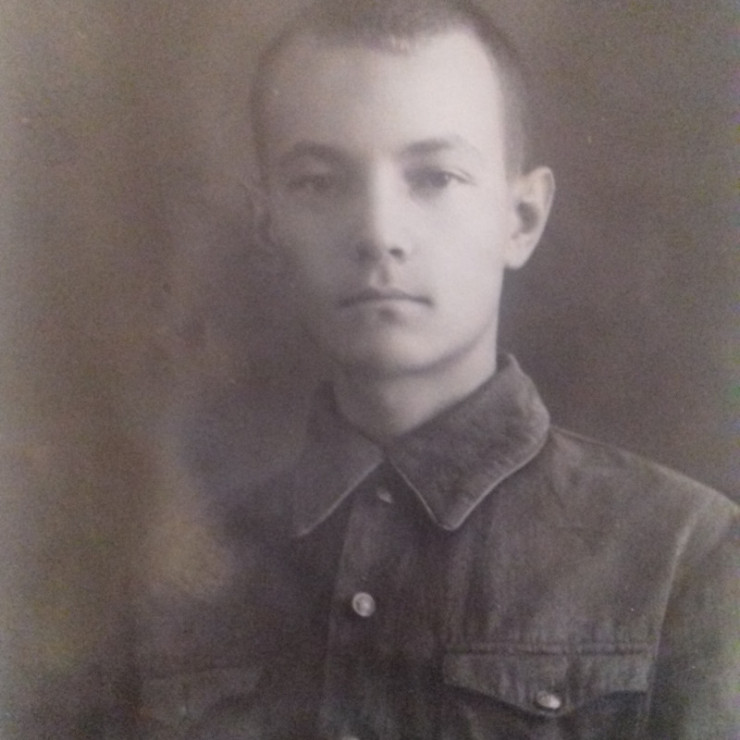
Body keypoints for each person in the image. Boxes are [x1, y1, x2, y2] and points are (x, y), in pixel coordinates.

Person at [138, 0, 739, 737]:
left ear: (521, 218)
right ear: (270, 223)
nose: (378, 232)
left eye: (435, 177)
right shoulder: (186, 577)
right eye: (320, 182)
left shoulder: (685, 556)